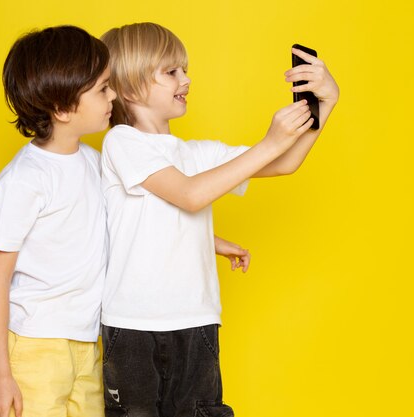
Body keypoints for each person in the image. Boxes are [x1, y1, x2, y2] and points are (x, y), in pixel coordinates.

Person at [99, 22, 339, 417]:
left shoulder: (197, 153)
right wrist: (267, 142)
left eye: (185, 69)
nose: (187, 79)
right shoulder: (122, 143)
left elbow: (285, 162)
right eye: (171, 71)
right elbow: (190, 195)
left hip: (196, 321)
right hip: (132, 325)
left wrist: (324, 106)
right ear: (128, 87)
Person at [0, 25, 116, 417]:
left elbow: (129, 225)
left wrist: (209, 240)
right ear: (62, 108)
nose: (113, 97)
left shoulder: (95, 162)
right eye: (102, 89)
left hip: (88, 343)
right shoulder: (25, 178)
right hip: (36, 346)